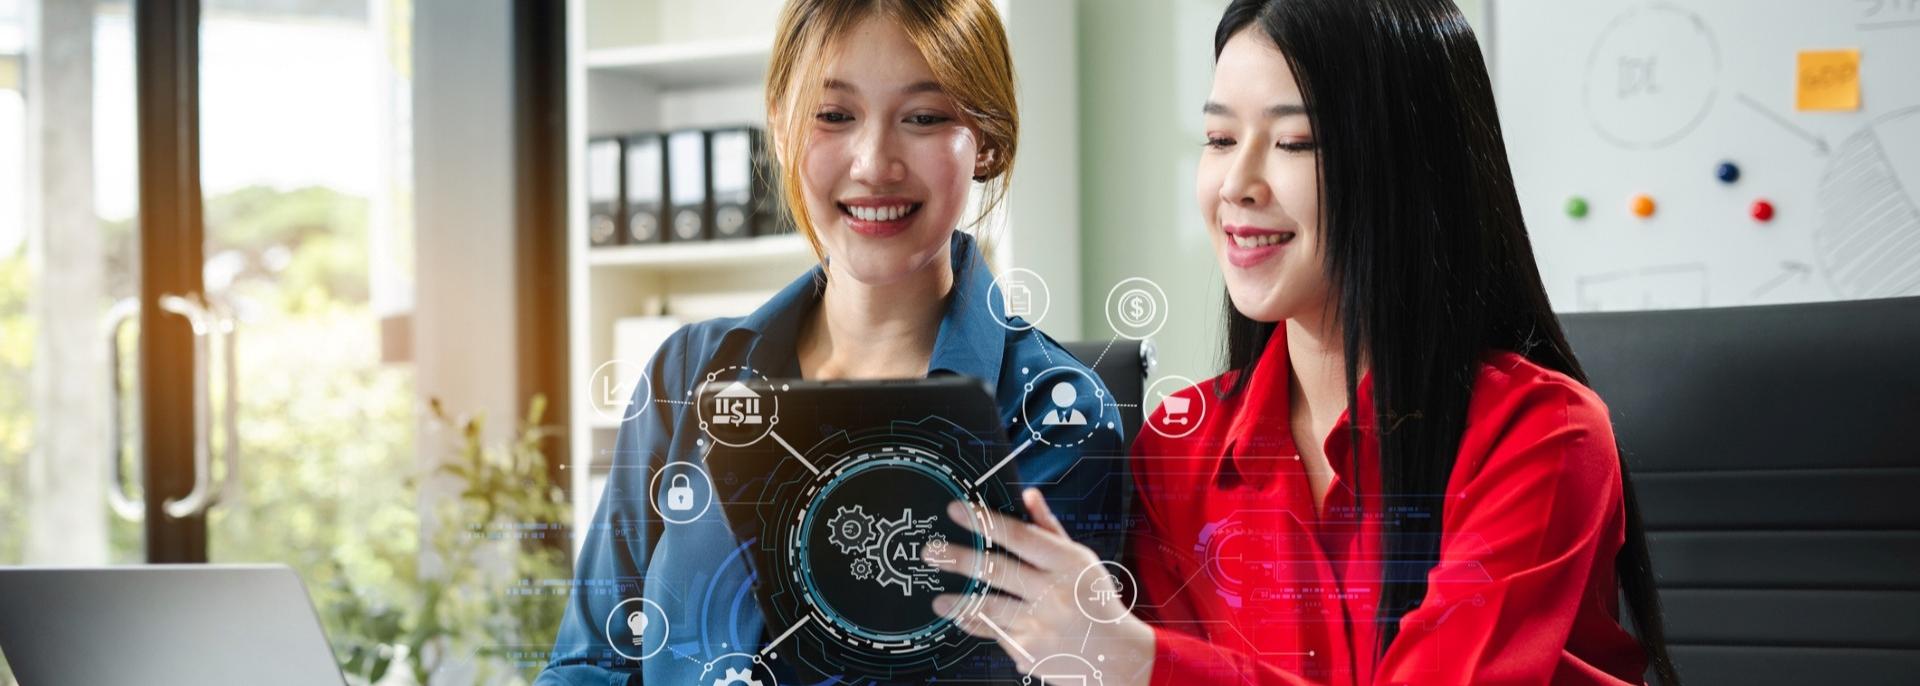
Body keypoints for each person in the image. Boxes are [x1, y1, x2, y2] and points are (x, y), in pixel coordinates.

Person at [927, 0, 1681, 684]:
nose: (1236, 183)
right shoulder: (1177, 451)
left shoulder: (1543, 438)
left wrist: (1138, 661)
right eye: (1220, 137)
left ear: (1409, 169)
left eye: (1295, 141)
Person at [537, 0, 1125, 683]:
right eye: (834, 115)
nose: (874, 163)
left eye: (925, 117)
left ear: (987, 139)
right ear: (781, 125)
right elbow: (592, 662)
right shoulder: (687, 373)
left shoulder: (1053, 415)